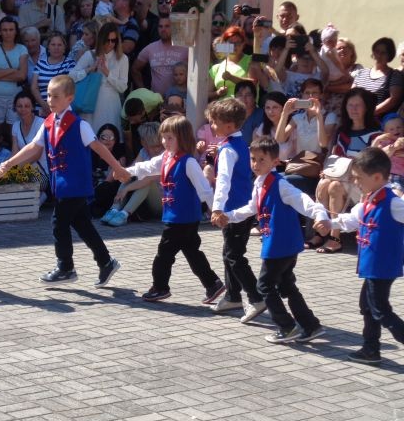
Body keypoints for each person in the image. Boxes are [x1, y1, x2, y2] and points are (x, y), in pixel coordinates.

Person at [0, 75, 129, 286]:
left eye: (56, 96)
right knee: (82, 224)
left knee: (58, 222)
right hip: (61, 185)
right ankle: (106, 262)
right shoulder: (48, 123)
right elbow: (33, 147)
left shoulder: (80, 125)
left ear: (69, 98)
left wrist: (118, 168)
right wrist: (10, 163)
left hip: (75, 185)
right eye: (49, 95)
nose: (50, 100)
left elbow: (99, 147)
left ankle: (66, 267)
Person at [215, 137, 330, 343]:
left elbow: (303, 200)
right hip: (280, 243)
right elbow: (251, 208)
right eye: (253, 159)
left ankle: (286, 327)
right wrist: (228, 216)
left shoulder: (281, 184)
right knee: (286, 286)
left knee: (265, 286)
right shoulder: (259, 183)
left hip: (280, 244)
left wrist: (320, 214)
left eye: (262, 160)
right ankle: (310, 325)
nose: (256, 164)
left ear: (275, 161)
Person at [125, 115, 225, 303]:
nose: (165, 142)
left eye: (170, 138)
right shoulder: (166, 157)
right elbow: (148, 167)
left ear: (183, 138)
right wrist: (126, 171)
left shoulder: (189, 162)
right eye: (163, 137)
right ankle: (213, 284)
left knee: (164, 254)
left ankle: (160, 287)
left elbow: (205, 189)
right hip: (178, 217)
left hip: (182, 218)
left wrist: (215, 211)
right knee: (192, 252)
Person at [330, 147, 404, 364]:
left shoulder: (393, 203)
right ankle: (370, 349)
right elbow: (352, 220)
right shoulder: (369, 200)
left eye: (359, 178)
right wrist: (329, 222)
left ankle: (371, 348)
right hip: (372, 265)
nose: (355, 182)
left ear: (377, 177)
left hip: (383, 265)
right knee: (367, 306)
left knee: (380, 309)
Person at [208, 98, 267, 322]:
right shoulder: (240, 144)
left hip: (233, 210)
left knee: (234, 255)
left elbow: (223, 180)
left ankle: (256, 298)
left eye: (215, 122)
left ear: (230, 125)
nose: (212, 125)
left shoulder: (227, 150)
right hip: (242, 208)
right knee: (229, 252)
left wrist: (217, 208)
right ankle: (232, 296)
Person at [311, 88, 381, 254]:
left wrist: (353, 174)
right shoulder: (342, 132)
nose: (354, 109)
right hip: (342, 180)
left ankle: (334, 238)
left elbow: (373, 164)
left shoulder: (375, 134)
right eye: (350, 105)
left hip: (363, 185)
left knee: (334, 186)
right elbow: (332, 154)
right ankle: (321, 231)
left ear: (367, 108)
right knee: (325, 183)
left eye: (358, 105)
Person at [276, 79, 334, 196]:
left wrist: (319, 116)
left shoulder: (329, 116)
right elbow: (280, 139)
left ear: (321, 95)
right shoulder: (297, 118)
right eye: (307, 93)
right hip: (298, 167)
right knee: (271, 179)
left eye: (315, 93)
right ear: (302, 95)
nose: (310, 96)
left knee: (282, 182)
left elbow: (323, 143)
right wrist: (285, 113)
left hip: (317, 170)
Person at [70, 23, 129, 134]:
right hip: (91, 102)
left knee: (111, 136)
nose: (110, 44)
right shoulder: (90, 55)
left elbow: (123, 87)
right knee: (90, 136)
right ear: (101, 39)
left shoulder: (123, 59)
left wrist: (107, 73)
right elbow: (71, 76)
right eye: (107, 40)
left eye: (113, 40)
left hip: (111, 105)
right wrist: (89, 69)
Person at [101, 122, 164, 226]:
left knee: (147, 179)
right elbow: (130, 172)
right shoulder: (143, 152)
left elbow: (148, 179)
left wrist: (126, 189)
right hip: (149, 201)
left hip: (163, 204)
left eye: (158, 146)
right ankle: (114, 209)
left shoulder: (165, 154)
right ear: (143, 142)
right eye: (151, 145)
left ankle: (125, 214)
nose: (156, 149)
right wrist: (120, 173)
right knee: (129, 177)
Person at [0, 17, 27, 135]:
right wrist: (11, 70)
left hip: (15, 97)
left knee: (14, 132)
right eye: (5, 30)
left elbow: (22, 75)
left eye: (11, 30)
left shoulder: (22, 49)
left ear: (16, 31)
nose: (8, 33)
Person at [131, 16, 187, 96]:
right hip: (156, 99)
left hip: (179, 98)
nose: (163, 29)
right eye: (160, 26)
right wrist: (143, 91)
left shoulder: (185, 48)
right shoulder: (150, 48)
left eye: (167, 26)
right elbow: (135, 69)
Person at [352, 37, 403, 117]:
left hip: (377, 119)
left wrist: (370, 113)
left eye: (383, 53)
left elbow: (393, 100)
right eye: (377, 51)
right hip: (357, 117)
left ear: (389, 55)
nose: (379, 55)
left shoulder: (395, 75)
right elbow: (351, 94)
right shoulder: (362, 72)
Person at [10, 91, 48, 200]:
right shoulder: (15, 126)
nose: (23, 109)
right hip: (24, 170)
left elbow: (36, 154)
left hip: (43, 174)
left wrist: (15, 169)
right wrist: (8, 168)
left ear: (32, 107)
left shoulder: (41, 123)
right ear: (15, 108)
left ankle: (44, 195)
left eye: (27, 106)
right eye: (19, 106)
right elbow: (14, 153)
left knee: (16, 180)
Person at [30, 32, 75, 116]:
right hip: (41, 109)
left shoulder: (70, 64)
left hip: (61, 110)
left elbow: (69, 87)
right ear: (48, 47)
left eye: (59, 45)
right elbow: (34, 87)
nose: (56, 48)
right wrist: (44, 104)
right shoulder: (41, 63)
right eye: (53, 45)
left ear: (64, 48)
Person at [372, 114, 404, 196]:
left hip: (400, 176)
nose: (396, 130)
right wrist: (393, 147)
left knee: (397, 193)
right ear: (385, 133)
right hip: (387, 176)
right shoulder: (384, 143)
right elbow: (373, 156)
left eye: (399, 127)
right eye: (391, 129)